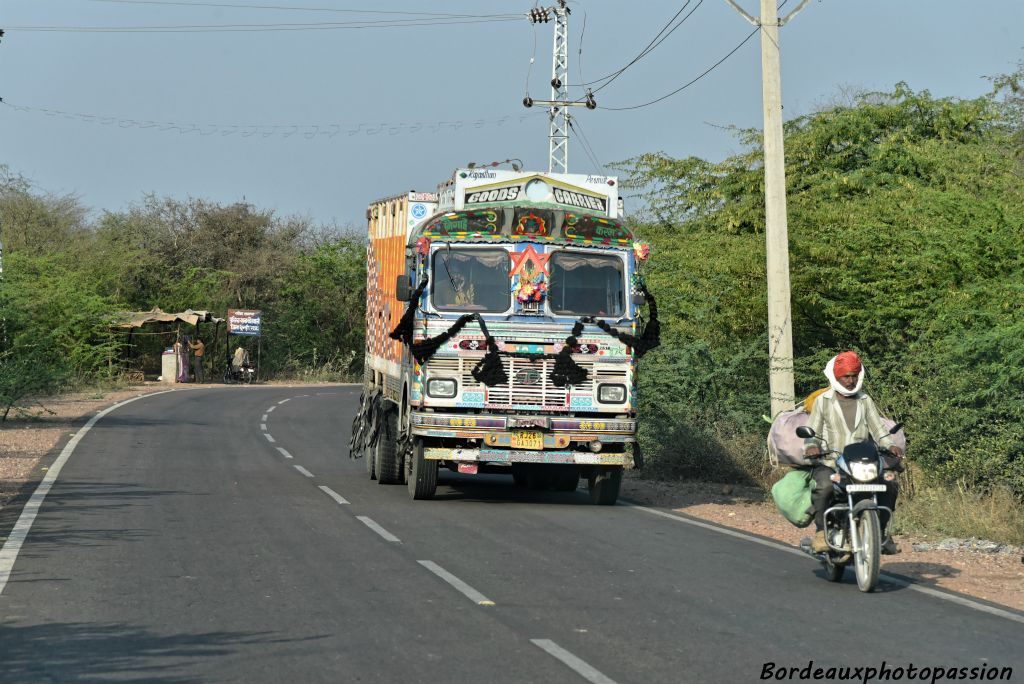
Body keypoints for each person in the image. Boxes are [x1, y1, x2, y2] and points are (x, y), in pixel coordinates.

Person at [803, 351, 903, 554]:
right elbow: (811, 432)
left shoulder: (865, 400)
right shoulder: (823, 401)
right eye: (845, 376)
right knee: (823, 486)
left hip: (862, 462)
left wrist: (890, 445)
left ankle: (881, 532)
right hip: (832, 461)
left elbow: (878, 429)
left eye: (853, 376)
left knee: (890, 483)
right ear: (836, 377)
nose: (850, 381)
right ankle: (822, 533)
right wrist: (812, 447)